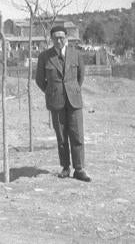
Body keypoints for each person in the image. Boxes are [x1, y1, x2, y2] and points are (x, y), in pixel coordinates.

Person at [35, 26, 91, 182]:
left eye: (61, 37)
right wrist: (52, 91)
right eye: (55, 38)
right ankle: (65, 167)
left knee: (77, 135)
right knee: (61, 136)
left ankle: (79, 169)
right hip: (56, 101)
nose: (59, 40)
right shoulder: (45, 57)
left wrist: (72, 90)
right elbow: (39, 80)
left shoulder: (76, 54)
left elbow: (80, 77)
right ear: (51, 39)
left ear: (67, 37)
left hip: (74, 101)